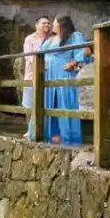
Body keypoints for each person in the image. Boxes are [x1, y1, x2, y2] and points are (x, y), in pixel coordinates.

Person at [27, 15, 93, 144]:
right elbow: (40, 53)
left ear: (62, 24)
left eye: (55, 22)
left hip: (62, 73)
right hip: (47, 74)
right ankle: (47, 133)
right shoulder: (50, 38)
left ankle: (66, 135)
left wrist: (74, 62)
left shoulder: (74, 36)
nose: (53, 24)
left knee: (63, 102)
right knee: (46, 102)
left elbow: (84, 53)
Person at [21, 16, 51, 136]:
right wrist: (45, 65)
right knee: (30, 105)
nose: (47, 25)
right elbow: (29, 56)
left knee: (45, 104)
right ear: (36, 25)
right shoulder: (30, 39)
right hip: (32, 76)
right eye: (44, 23)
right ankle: (30, 130)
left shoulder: (52, 39)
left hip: (48, 77)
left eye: (49, 23)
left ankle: (43, 130)